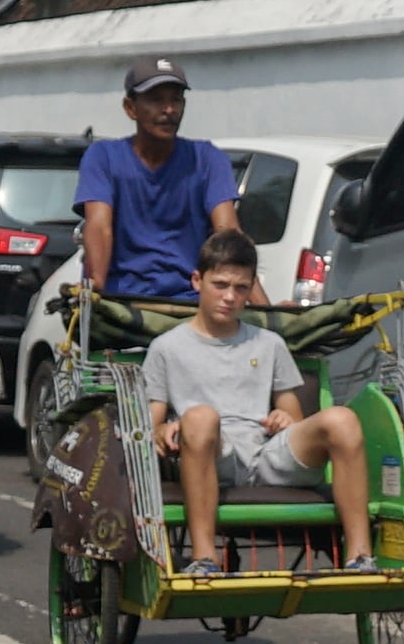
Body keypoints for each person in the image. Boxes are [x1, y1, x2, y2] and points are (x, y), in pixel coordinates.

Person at [143, 228, 375, 578]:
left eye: (240, 288)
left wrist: (284, 418)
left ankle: (360, 555)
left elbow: (294, 419)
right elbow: (151, 424)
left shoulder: (269, 344)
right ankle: (204, 557)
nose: (229, 297)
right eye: (220, 285)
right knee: (202, 416)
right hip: (209, 454)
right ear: (197, 281)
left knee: (342, 418)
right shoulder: (166, 347)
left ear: (252, 288)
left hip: (267, 454)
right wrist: (163, 430)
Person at [75, 57, 260, 304]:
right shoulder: (103, 157)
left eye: (176, 100)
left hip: (189, 301)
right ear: (130, 108)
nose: (169, 110)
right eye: (156, 100)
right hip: (122, 300)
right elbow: (98, 225)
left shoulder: (207, 159)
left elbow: (227, 233)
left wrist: (265, 309)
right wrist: (97, 283)